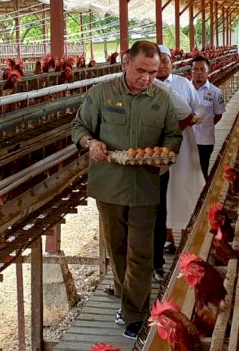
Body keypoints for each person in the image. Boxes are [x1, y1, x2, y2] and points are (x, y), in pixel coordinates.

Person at [70, 40, 183, 339]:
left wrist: (166, 152)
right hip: (109, 186)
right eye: (140, 71)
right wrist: (90, 143)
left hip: (145, 186)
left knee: (141, 254)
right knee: (118, 250)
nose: (146, 78)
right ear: (125, 63)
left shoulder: (162, 99)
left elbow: (173, 135)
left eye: (153, 72)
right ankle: (125, 295)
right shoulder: (101, 93)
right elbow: (79, 127)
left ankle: (136, 314)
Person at [152, 45, 204, 283]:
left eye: (165, 60)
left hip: (182, 146)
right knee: (161, 198)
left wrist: (196, 116)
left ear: (171, 63)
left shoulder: (183, 84)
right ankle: (166, 241)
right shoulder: (147, 85)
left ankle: (183, 239)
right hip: (156, 148)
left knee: (182, 191)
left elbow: (196, 107)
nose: (162, 65)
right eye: (158, 61)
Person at [190, 55, 225, 178]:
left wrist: (206, 124)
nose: (198, 72)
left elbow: (218, 114)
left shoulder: (216, 92)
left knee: (202, 172)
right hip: (185, 140)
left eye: (202, 69)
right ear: (191, 71)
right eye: (195, 69)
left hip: (204, 140)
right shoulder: (183, 90)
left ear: (208, 71)